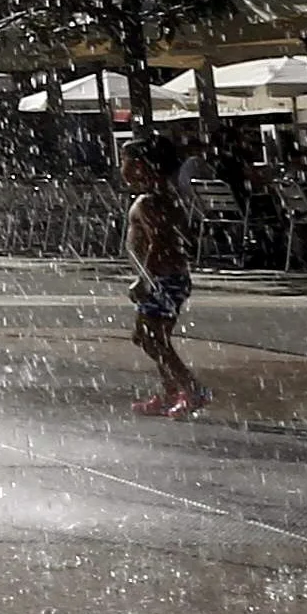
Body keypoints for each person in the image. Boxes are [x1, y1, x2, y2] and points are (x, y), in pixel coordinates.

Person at [119, 140, 207, 419]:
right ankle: (172, 392)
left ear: (139, 165)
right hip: (168, 278)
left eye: (124, 161)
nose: (121, 168)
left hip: (162, 279)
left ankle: (191, 389)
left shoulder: (151, 201)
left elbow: (160, 241)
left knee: (150, 338)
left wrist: (145, 280)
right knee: (153, 338)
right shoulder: (160, 196)